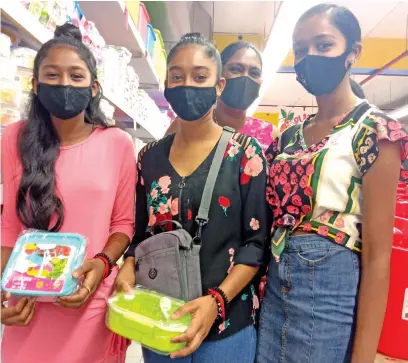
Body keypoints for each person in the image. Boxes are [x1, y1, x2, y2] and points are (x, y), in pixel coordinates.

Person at [257, 4, 408, 363]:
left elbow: (377, 256)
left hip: (328, 303)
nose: (310, 57)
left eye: (323, 45)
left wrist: (364, 357)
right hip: (274, 293)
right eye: (301, 48)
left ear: (353, 52)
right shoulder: (287, 138)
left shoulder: (375, 131)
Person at [114, 33, 268, 363]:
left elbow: (255, 245)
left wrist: (217, 301)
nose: (188, 85)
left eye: (200, 77)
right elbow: (140, 235)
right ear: (167, 84)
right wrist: (128, 265)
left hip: (226, 330)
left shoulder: (245, 155)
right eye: (177, 76)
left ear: (219, 85)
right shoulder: (149, 158)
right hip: (160, 321)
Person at [1, 23, 136, 363]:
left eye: (76, 77)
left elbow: (122, 224)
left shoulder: (117, 143)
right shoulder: (15, 139)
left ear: (94, 88)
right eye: (52, 74)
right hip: (27, 304)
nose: (64, 84)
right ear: (35, 85)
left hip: (89, 301)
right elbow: (9, 227)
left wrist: (102, 266)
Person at [165, 40, 276, 150]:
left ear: (260, 83)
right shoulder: (186, 125)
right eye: (236, 69)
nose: (245, 78)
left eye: (254, 73)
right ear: (218, 77)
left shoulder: (271, 137)